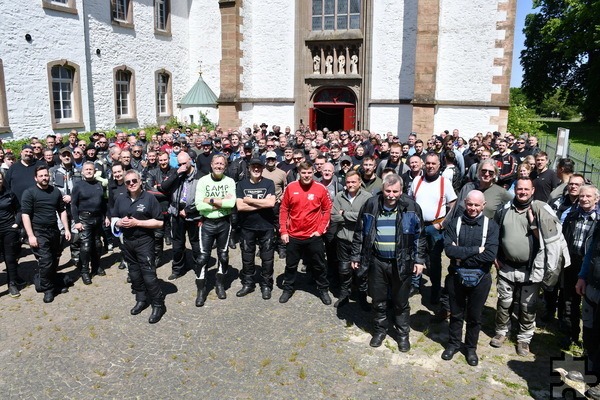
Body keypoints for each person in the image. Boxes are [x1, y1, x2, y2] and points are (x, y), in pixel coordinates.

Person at [490, 178, 567, 356]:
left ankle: (524, 339)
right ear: (514, 189)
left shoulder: (540, 212)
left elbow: (549, 242)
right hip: (507, 267)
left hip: (531, 269)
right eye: (519, 189)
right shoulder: (504, 210)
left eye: (526, 189)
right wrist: (494, 255)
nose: (522, 192)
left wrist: (534, 226)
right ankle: (501, 332)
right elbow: (494, 234)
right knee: (504, 302)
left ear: (532, 191)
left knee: (528, 306)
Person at [350, 173, 426, 350]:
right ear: (382, 190)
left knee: (401, 302)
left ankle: (402, 334)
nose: (391, 195)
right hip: (376, 261)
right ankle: (380, 330)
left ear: (401, 191)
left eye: (395, 191)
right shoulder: (371, 204)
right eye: (388, 191)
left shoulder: (412, 207)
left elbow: (420, 236)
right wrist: (355, 255)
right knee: (378, 300)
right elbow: (360, 232)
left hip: (402, 261)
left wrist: (419, 260)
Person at [442, 190, 499, 366]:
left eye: (476, 205)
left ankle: (471, 348)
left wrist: (461, 254)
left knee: (475, 316)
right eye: (470, 204)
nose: (472, 208)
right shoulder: (454, 223)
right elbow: (449, 251)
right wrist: (475, 250)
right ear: (465, 203)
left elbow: (490, 255)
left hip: (481, 277)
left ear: (483, 205)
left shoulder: (491, 226)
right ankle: (453, 344)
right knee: (456, 313)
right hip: (456, 275)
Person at [113, 169, 166, 324]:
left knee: (149, 275)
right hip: (127, 242)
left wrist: (137, 223)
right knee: (134, 274)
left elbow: (160, 222)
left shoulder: (149, 198)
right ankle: (141, 299)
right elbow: (113, 217)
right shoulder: (120, 198)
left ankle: (158, 304)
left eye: (134, 181)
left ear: (140, 181)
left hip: (144, 241)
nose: (131, 184)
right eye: (128, 182)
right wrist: (118, 222)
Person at [279, 161, 332, 305]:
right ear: (299, 173)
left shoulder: (321, 188)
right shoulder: (291, 187)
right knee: (290, 265)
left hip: (313, 235)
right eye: (304, 173)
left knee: (319, 265)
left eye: (309, 172)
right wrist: (283, 231)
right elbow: (284, 210)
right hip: (293, 235)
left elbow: (327, 210)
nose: (307, 175)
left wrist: (320, 230)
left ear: (314, 172)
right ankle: (288, 288)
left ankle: (323, 289)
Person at [408, 153, 457, 310]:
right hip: (418, 226)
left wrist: (443, 223)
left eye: (433, 163)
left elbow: (453, 204)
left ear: (439, 165)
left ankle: (435, 290)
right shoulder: (417, 180)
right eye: (428, 163)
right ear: (424, 164)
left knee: (434, 261)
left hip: (435, 228)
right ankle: (415, 285)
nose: (430, 166)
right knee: (415, 255)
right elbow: (409, 201)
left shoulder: (444, 182)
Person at [21, 166, 72, 303]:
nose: (44, 178)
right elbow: (25, 215)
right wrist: (30, 235)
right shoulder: (29, 193)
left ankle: (52, 283)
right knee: (46, 261)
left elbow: (62, 211)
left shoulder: (55, 192)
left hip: (54, 231)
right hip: (38, 231)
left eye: (46, 175)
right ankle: (48, 289)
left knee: (55, 259)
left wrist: (66, 229)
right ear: (35, 178)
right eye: (41, 176)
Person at [193, 154, 237, 306]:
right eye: (216, 163)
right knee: (203, 258)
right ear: (211, 165)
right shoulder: (203, 181)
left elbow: (231, 203)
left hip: (224, 222)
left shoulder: (229, 181)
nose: (219, 166)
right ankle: (201, 290)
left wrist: (209, 200)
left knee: (223, 256)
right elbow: (199, 205)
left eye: (222, 164)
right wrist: (221, 201)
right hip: (207, 223)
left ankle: (220, 284)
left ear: (225, 166)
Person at [235, 159, 277, 299]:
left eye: (259, 167)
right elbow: (240, 206)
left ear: (262, 168)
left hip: (266, 226)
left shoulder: (268, 183)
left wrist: (249, 200)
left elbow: (271, 203)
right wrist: (262, 203)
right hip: (247, 227)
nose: (256, 169)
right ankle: (248, 283)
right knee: (247, 258)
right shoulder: (241, 184)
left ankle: (266, 285)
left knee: (268, 258)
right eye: (254, 166)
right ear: (249, 168)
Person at [331, 171, 372, 309]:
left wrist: (345, 214)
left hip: (360, 240)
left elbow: (366, 217)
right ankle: (344, 295)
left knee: (360, 271)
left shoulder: (367, 197)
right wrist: (354, 217)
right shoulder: (339, 196)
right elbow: (333, 217)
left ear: (359, 182)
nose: (350, 185)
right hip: (342, 238)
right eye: (348, 182)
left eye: (353, 182)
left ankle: (362, 297)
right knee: (344, 269)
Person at [161, 151, 202, 281]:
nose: (183, 166)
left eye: (184, 163)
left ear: (190, 160)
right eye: (180, 164)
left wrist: (189, 210)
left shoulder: (200, 176)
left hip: (193, 214)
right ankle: (178, 269)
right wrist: (177, 173)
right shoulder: (176, 172)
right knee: (177, 244)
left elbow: (203, 198)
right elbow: (164, 187)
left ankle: (199, 267)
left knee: (195, 243)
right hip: (176, 212)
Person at [71, 162, 109, 285]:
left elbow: (103, 203)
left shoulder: (98, 185)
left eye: (91, 169)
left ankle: (96, 266)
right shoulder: (78, 186)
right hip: (84, 219)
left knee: (98, 244)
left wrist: (106, 216)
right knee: (86, 246)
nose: (88, 171)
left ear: (94, 171)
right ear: (82, 172)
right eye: (86, 169)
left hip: (97, 218)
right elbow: (73, 205)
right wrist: (76, 221)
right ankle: (84, 271)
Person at [576, 224, 600, 399]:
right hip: (593, 286)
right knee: (591, 333)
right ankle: (592, 373)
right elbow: (592, 250)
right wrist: (582, 276)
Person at [0, 173, 22, 297]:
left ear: (3, 180)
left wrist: (16, 223)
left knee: (10, 258)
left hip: (8, 228)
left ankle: (12, 284)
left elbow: (19, 209)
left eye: (0, 178)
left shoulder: (9, 194)